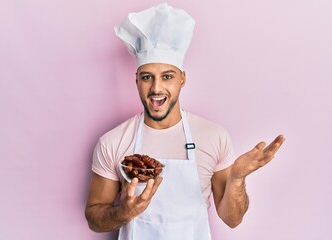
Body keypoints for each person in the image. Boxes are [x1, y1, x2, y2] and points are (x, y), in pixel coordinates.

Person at [85, 3, 285, 240]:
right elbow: (94, 217)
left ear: (182, 79)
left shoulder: (213, 137)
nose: (156, 88)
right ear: (136, 80)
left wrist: (237, 178)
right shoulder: (113, 142)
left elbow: (232, 219)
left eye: (167, 76)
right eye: (147, 77)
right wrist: (122, 213)